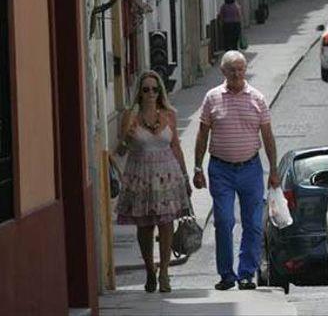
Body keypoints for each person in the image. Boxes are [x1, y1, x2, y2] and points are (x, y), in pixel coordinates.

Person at [193, 50, 280, 290]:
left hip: (250, 168)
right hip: (220, 169)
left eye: (241, 69)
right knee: (224, 220)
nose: (237, 73)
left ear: (245, 71)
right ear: (223, 71)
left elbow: (268, 136)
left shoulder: (257, 98)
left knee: (252, 223)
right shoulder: (212, 98)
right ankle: (226, 275)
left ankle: (246, 273)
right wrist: (197, 167)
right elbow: (202, 134)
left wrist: (273, 169)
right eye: (232, 69)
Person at [114, 71, 192, 293]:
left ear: (160, 92)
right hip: (141, 176)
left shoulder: (169, 114)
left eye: (154, 89)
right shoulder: (131, 116)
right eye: (146, 89)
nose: (150, 93)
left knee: (167, 224)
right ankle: (150, 270)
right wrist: (125, 138)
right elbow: (120, 151)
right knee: (145, 226)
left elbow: (175, 146)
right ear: (139, 91)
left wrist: (186, 177)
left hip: (167, 176)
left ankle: (165, 272)